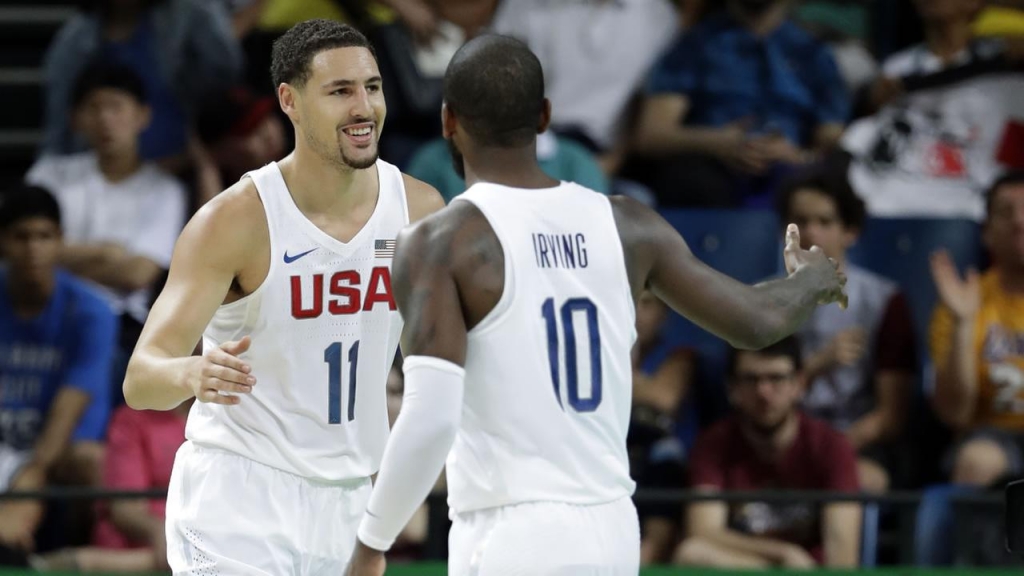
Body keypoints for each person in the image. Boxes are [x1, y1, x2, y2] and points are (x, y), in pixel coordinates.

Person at [345, 34, 847, 576]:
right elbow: (756, 321)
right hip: (610, 529)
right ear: (544, 117)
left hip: (512, 531)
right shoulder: (627, 223)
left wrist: (372, 542)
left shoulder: (440, 242)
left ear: (448, 121)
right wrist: (811, 280)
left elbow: (432, 418)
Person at [121, 19, 444, 575]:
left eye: (372, 87)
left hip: (348, 499)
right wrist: (191, 373)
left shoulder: (419, 210)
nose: (363, 107)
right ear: (289, 102)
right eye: (340, 91)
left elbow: (438, 368)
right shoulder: (233, 220)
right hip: (237, 495)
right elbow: (140, 379)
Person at [0, 185, 118, 553]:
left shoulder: (92, 312)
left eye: (44, 236)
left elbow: (70, 408)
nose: (33, 248)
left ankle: (70, 553)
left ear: (60, 241)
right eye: (21, 237)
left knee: (90, 462)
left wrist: (29, 478)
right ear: (3, 241)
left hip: (58, 446)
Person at [674, 338, 861, 569]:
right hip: (751, 567)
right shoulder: (713, 443)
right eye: (751, 379)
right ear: (732, 388)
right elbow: (703, 531)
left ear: (799, 384)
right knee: (691, 554)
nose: (763, 392)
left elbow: (843, 557)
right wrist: (783, 554)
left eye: (777, 378)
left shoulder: (832, 445)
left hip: (809, 571)